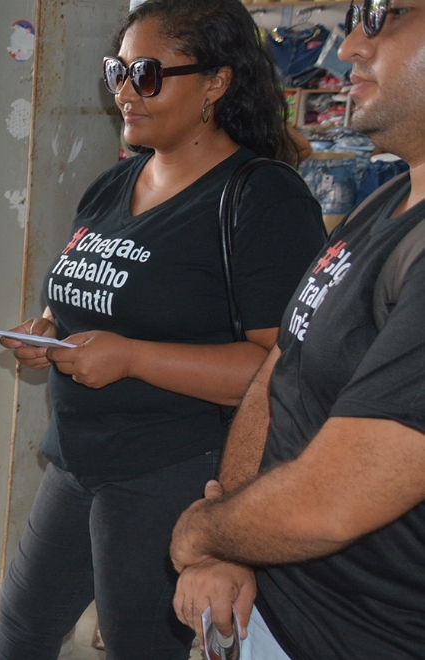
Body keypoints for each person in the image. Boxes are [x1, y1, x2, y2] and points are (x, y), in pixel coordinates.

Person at [0, 0, 327, 657]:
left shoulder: (263, 200)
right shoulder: (114, 186)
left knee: (138, 647)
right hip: (79, 459)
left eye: (145, 73)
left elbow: (278, 372)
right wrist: (49, 332)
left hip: (173, 469)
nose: (123, 91)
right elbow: (102, 305)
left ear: (216, 82)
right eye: (118, 70)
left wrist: (134, 358)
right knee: (21, 628)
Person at [170, 1, 425, 657]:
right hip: (275, 611)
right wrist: (233, 541)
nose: (349, 49)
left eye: (389, 17)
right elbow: (281, 369)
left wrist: (205, 533)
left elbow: (334, 498)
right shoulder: (389, 201)